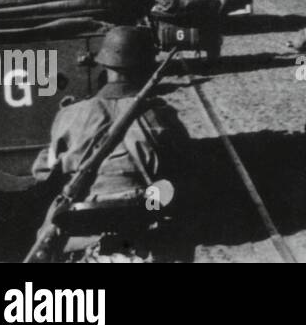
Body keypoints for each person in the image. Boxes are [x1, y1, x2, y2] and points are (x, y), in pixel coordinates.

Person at [32, 26, 192, 257]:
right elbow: (183, 166)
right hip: (144, 213)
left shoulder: (71, 115)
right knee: (170, 193)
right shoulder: (162, 115)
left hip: (87, 217)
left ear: (104, 65)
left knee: (50, 229)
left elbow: (44, 172)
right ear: (147, 68)